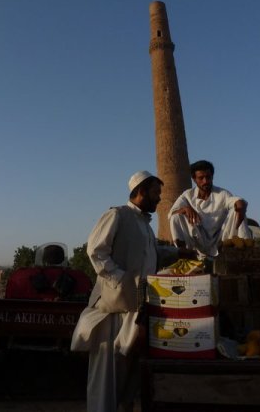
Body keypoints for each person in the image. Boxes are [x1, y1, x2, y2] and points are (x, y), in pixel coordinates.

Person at [71, 170, 196, 412]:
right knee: (106, 375)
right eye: (155, 193)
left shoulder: (145, 226)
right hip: (112, 309)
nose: (159, 198)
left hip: (134, 308)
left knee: (127, 374)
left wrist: (180, 254)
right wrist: (120, 278)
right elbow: (96, 251)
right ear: (141, 191)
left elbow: (153, 257)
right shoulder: (117, 215)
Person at [168, 160, 251, 258]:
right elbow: (172, 213)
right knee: (176, 217)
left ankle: (244, 252)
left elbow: (235, 202)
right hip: (198, 239)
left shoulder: (222, 194)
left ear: (212, 177)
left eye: (208, 177)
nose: (205, 181)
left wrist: (240, 204)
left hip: (220, 240)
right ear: (194, 179)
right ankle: (184, 254)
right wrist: (185, 209)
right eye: (201, 178)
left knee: (236, 212)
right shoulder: (187, 195)